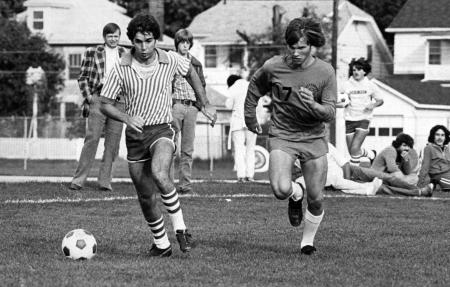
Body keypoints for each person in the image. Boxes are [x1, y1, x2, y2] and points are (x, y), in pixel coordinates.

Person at [99, 13, 217, 257]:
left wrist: (204, 102)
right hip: (135, 136)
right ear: (132, 40)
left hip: (163, 129)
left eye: (149, 40)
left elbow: (191, 72)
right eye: (139, 41)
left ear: (155, 40)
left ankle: (181, 229)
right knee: (145, 196)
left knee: (160, 173)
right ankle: (162, 245)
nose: (144, 47)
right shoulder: (121, 68)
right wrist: (127, 118)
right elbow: (105, 103)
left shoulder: (171, 59)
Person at [245, 17, 336, 255]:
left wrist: (314, 106)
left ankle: (307, 242)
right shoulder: (272, 67)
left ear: (312, 46)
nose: (296, 53)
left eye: (301, 48)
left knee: (316, 199)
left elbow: (330, 113)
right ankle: (296, 192)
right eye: (292, 47)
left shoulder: (325, 72)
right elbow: (254, 89)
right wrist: (250, 119)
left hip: (313, 137)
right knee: (279, 189)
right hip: (282, 134)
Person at [69, 23, 126, 192]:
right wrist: (89, 98)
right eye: (110, 36)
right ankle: (78, 180)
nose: (113, 39)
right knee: (92, 139)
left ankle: (105, 181)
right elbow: (82, 77)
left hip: (119, 102)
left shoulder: (125, 54)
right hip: (99, 98)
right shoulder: (92, 52)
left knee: (113, 143)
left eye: (116, 36)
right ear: (104, 37)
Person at [171, 28, 207, 194]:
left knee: (187, 149)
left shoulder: (196, 63)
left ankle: (185, 185)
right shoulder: (171, 60)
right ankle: (167, 184)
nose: (185, 45)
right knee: (170, 146)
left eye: (187, 43)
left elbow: (202, 87)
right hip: (176, 105)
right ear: (177, 43)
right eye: (182, 42)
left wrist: (199, 106)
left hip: (192, 107)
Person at [348, 133, 433, 197]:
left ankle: (414, 189)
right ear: (398, 144)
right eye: (404, 145)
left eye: (408, 146)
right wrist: (404, 179)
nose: (406, 148)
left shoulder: (402, 155)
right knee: (396, 176)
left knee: (413, 177)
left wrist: (406, 160)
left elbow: (408, 172)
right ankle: (416, 190)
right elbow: (392, 168)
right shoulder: (390, 150)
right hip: (376, 175)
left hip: (386, 178)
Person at [337, 58, 383, 165]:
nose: (356, 72)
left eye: (359, 69)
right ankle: (371, 154)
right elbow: (340, 101)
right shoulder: (346, 85)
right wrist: (342, 103)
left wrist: (373, 105)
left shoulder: (370, 85)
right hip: (349, 119)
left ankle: (355, 173)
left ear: (364, 71)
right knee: (352, 151)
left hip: (364, 119)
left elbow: (380, 100)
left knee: (354, 148)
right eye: (354, 70)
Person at [295, 143, 383, 196]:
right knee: (299, 181)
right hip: (317, 178)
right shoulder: (296, 151)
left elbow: (345, 164)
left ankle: (368, 186)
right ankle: (368, 189)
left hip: (335, 173)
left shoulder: (326, 145)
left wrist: (347, 181)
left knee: (335, 181)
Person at [226, 72, 257, 183]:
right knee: (250, 149)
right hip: (252, 121)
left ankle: (241, 176)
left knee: (239, 150)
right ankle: (250, 175)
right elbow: (259, 104)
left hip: (238, 122)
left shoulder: (233, 88)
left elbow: (228, 105)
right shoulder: (252, 85)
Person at [417, 125, 450, 190]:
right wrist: (420, 184)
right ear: (433, 136)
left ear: (445, 137)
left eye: (442, 135)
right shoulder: (429, 148)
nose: (440, 137)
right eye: (437, 135)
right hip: (439, 176)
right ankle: (436, 184)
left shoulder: (447, 149)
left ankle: (436, 186)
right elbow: (425, 167)